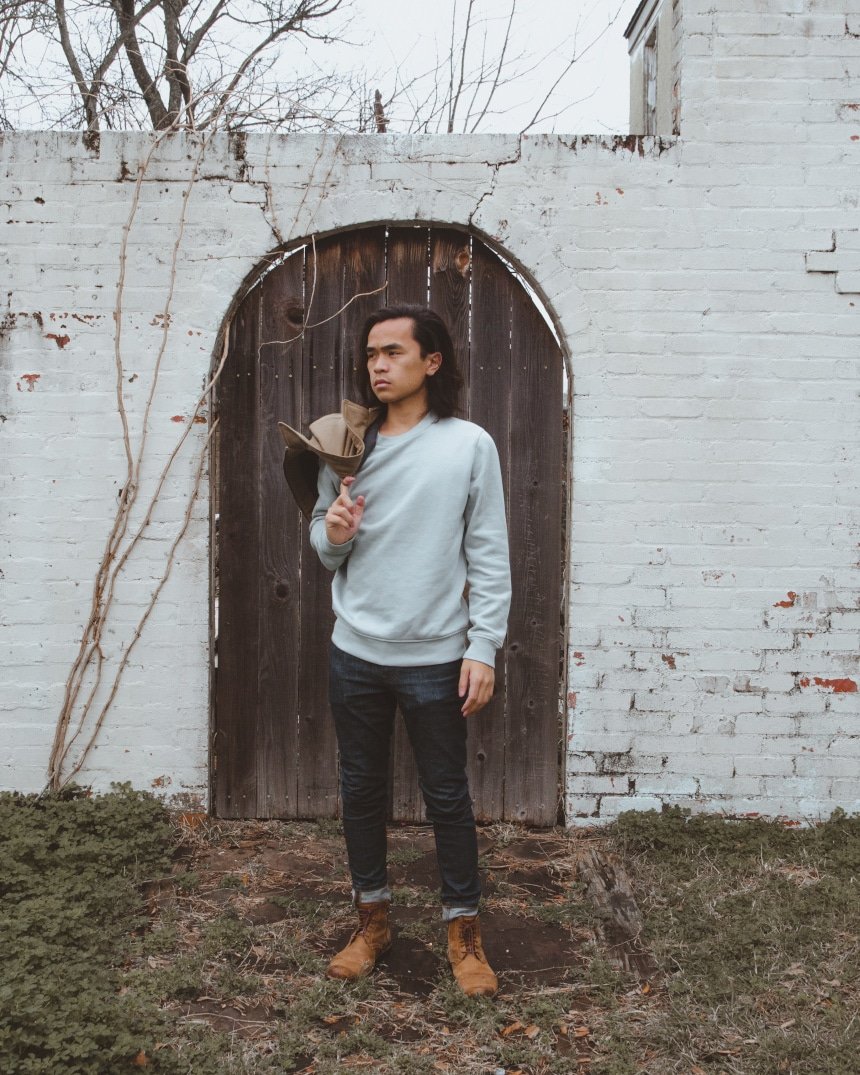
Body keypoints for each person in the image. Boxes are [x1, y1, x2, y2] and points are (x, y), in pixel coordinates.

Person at [308, 304, 511, 997]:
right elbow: (324, 550)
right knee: (360, 791)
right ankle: (373, 921)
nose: (378, 365)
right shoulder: (344, 442)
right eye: (370, 354)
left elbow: (488, 553)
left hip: (435, 657)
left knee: (447, 796)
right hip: (355, 652)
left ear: (432, 362)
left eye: (394, 352)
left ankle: (464, 932)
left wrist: (482, 645)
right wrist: (334, 531)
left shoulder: (468, 445)